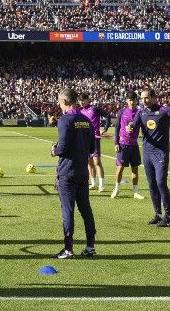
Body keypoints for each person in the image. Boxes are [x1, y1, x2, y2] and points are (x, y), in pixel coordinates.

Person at [128, 87, 170, 227]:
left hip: (160, 153)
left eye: (147, 97)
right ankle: (158, 214)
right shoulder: (141, 112)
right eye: (142, 98)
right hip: (147, 153)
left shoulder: (163, 110)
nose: (144, 100)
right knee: (152, 185)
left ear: (154, 98)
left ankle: (169, 216)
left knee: (161, 182)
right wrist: (130, 127)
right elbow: (134, 125)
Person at [51, 88, 97, 259]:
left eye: (59, 101)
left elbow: (62, 148)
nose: (58, 104)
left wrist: (54, 150)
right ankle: (90, 247)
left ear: (64, 101)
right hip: (82, 172)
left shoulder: (65, 120)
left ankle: (68, 249)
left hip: (67, 173)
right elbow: (92, 148)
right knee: (86, 210)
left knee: (68, 210)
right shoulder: (86, 120)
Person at [111, 92, 145, 200]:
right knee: (120, 168)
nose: (132, 102)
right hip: (123, 144)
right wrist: (116, 143)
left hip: (134, 144)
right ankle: (116, 189)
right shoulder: (122, 112)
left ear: (136, 100)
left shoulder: (140, 112)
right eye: (129, 99)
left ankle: (135, 191)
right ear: (126, 100)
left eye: (133, 99)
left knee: (135, 169)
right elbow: (116, 129)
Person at [79, 93, 108, 192]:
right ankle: (93, 183)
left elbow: (107, 115)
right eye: (80, 101)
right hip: (84, 139)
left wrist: (105, 128)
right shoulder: (80, 111)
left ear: (88, 100)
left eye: (83, 100)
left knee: (97, 161)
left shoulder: (94, 109)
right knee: (89, 161)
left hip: (95, 139)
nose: (81, 102)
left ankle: (102, 185)